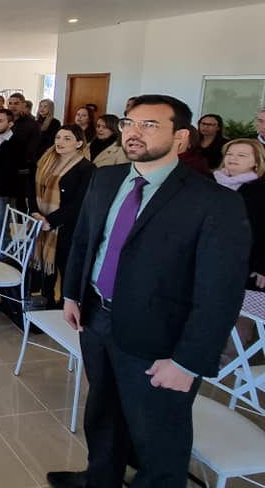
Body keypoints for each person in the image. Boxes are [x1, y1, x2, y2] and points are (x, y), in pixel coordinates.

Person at [47, 95, 250, 488]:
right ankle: (100, 478)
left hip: (160, 337)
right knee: (103, 411)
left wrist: (188, 361)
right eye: (129, 123)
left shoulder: (213, 201)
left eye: (150, 125)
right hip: (97, 318)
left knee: (158, 435)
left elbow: (220, 293)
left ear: (181, 138)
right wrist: (72, 295)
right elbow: (86, 240)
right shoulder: (106, 178)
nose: (134, 132)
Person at [30, 125, 95, 308]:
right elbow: (32, 189)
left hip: (67, 227)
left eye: (67, 138)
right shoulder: (46, 160)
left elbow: (79, 202)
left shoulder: (86, 168)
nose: (60, 142)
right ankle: (47, 300)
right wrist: (35, 212)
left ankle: (64, 307)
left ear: (79, 143)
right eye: (58, 137)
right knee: (46, 268)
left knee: (65, 267)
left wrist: (50, 221)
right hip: (41, 222)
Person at [214, 139, 265, 290]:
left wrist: (262, 265)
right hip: (209, 258)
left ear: (257, 162)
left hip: (246, 265)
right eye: (229, 154)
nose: (233, 158)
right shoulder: (209, 184)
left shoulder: (260, 189)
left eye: (242, 155)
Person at [0, 108, 28, 260]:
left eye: (0, 121)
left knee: (1, 232)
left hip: (3, 194)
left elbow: (16, 171)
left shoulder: (17, 144)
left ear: (10, 124)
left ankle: (3, 264)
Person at [7, 92, 41, 165]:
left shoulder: (33, 124)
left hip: (22, 164)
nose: (12, 106)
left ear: (24, 105)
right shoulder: (4, 121)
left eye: (16, 103)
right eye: (10, 103)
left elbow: (33, 148)